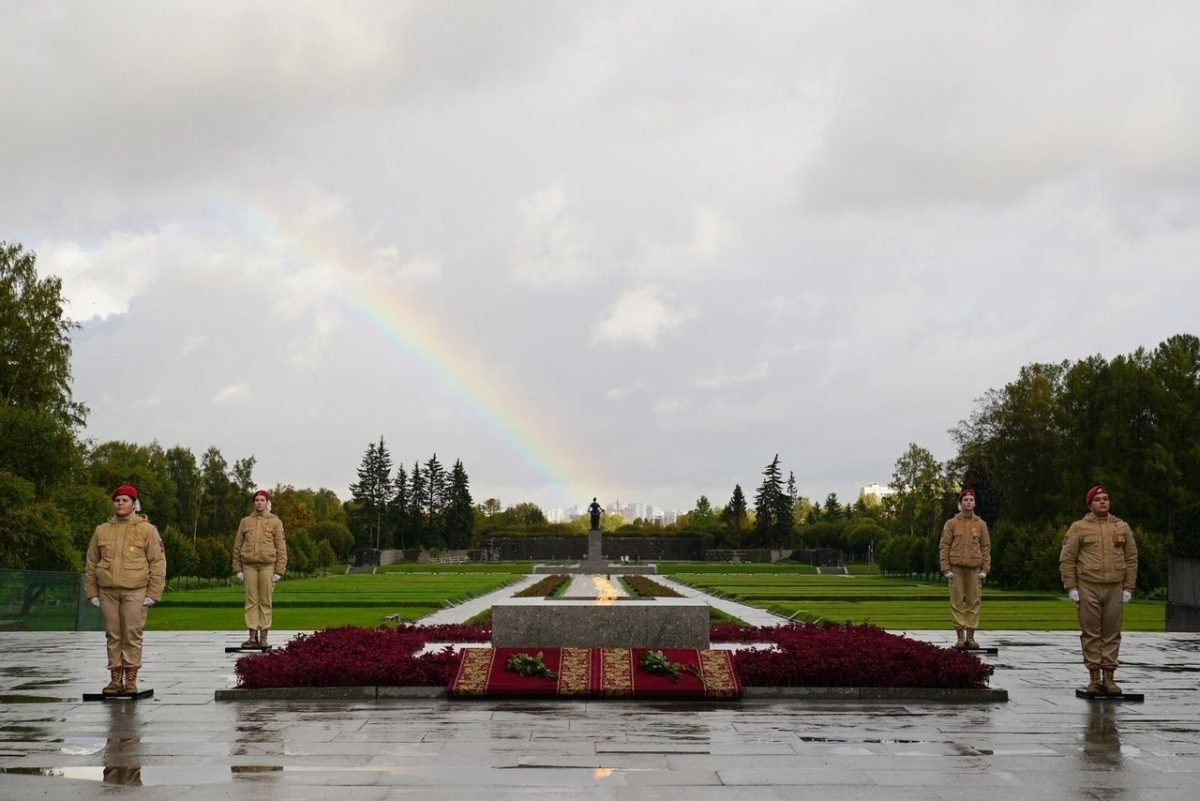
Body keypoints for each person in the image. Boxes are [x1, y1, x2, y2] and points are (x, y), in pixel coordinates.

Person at [85, 485, 166, 694]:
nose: (120, 503)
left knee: (131, 634)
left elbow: (158, 562)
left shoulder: (147, 530)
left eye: (125, 500)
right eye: (117, 500)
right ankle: (114, 679)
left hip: (135, 590)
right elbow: (92, 562)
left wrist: (153, 593)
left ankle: (130, 678)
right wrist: (92, 592)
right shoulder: (101, 530)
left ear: (134, 504)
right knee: (113, 634)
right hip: (107, 591)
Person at [1060, 485, 1138, 694]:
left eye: (1105, 498)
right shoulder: (1079, 527)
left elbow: (1131, 558)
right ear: (1090, 504)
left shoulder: (1121, 526)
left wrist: (1129, 587)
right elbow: (1067, 559)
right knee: (1091, 633)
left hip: (1115, 587)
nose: (1102, 502)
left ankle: (1110, 678)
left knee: (1112, 633)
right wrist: (1071, 587)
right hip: (1088, 586)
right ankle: (1094, 677)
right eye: (1097, 499)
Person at [232, 489, 287, 648]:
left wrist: (279, 571)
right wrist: (238, 569)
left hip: (268, 566)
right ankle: (252, 637)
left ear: (267, 503)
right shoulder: (245, 522)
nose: (259, 503)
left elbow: (281, 547)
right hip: (249, 565)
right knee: (251, 602)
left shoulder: (275, 522)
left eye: (262, 500)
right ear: (253, 503)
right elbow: (237, 546)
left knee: (265, 601)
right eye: (257, 500)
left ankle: (263, 636)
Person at [939, 488, 991, 649]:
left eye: (971, 500)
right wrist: (946, 569)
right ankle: (960, 637)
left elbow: (986, 547)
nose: (968, 502)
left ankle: (971, 637)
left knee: (974, 602)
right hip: (956, 570)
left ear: (974, 503)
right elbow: (944, 546)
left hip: (974, 570)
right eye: (965, 500)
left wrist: (985, 569)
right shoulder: (951, 523)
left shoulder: (981, 524)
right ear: (960, 503)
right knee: (956, 603)